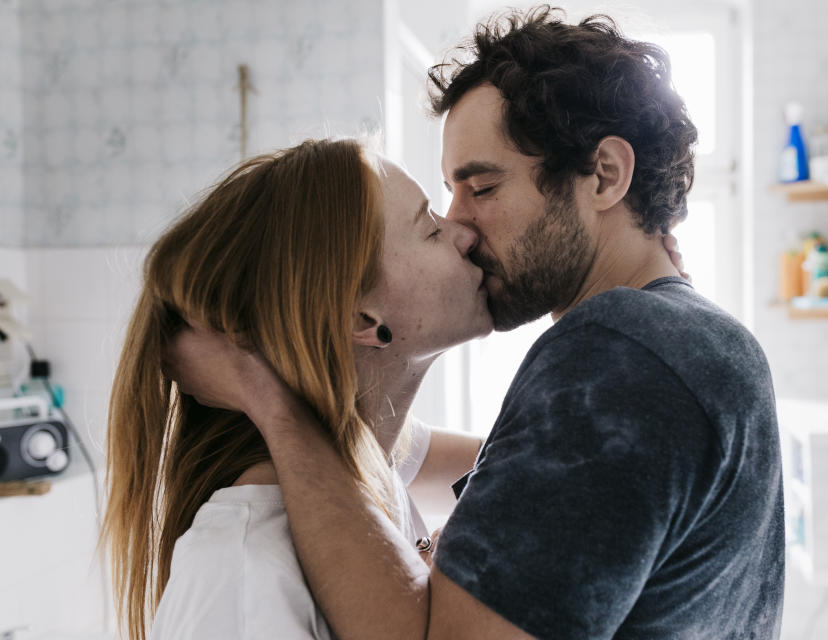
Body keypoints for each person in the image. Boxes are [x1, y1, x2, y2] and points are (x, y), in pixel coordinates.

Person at [167, 7, 785, 640]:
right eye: (443, 202)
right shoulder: (686, 338)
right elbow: (446, 457)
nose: (460, 224)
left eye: (483, 188)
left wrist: (269, 398)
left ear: (604, 175)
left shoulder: (619, 349)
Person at [100, 138, 501, 640]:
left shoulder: (364, 453)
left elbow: (508, 466)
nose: (462, 233)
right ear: (361, 315)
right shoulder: (244, 571)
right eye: (428, 228)